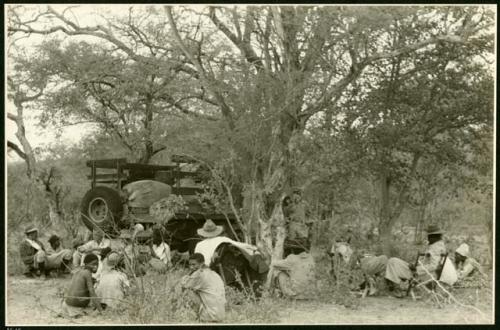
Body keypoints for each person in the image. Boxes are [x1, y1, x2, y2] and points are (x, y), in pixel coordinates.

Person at [385, 224, 457, 297]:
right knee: (393, 261)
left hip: (423, 274)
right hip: (423, 272)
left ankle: (396, 287)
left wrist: (416, 268)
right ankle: (396, 285)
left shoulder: (435, 248)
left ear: (433, 236)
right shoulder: (439, 245)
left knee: (392, 261)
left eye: (429, 236)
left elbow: (433, 266)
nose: (428, 238)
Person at [180, 253, 226, 322]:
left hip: (210, 316)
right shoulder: (214, 273)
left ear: (202, 264)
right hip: (221, 314)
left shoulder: (199, 274)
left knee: (186, 291)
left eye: (194, 264)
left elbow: (184, 284)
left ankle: (192, 318)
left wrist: (188, 275)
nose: (191, 267)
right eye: (190, 265)